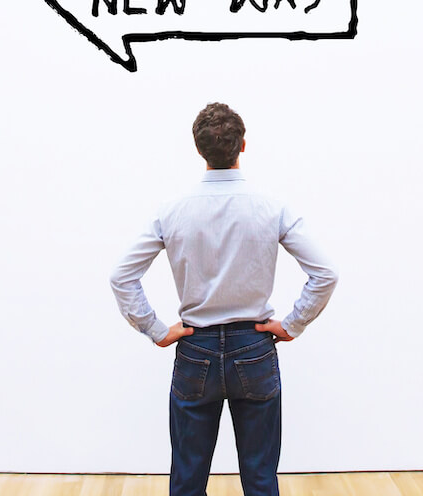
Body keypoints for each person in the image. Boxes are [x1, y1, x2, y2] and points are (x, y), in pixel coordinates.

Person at [109, 102, 338, 496]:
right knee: (261, 478)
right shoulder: (271, 208)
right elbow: (325, 273)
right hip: (254, 347)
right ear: (243, 146)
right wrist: (293, 323)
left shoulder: (173, 211)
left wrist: (156, 330)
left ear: (198, 150)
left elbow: (122, 275)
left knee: (187, 478)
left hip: (195, 349)